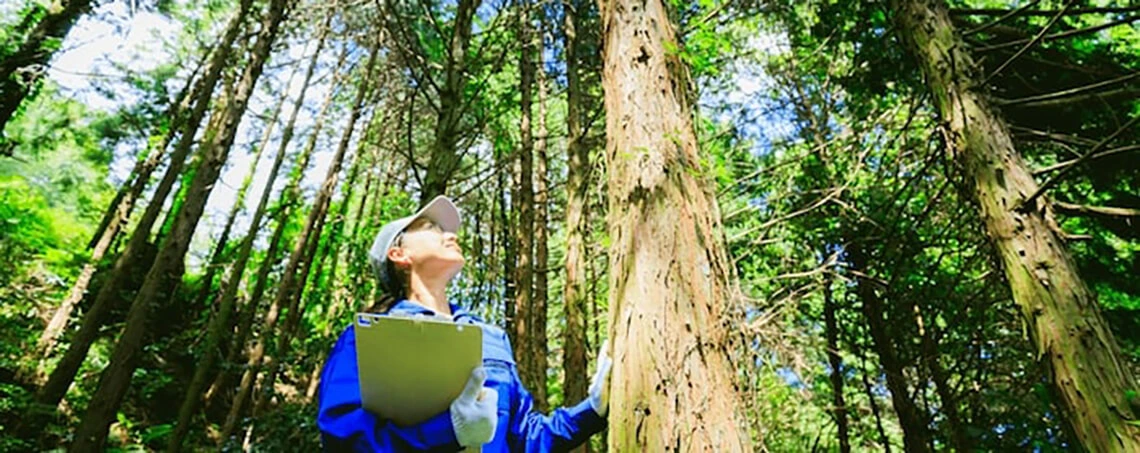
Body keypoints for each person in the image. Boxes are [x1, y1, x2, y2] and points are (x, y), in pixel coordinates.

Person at [317, 195, 612, 452]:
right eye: (431, 227)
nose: (450, 235)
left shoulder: (492, 336)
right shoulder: (367, 336)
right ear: (399, 254)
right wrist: (449, 431)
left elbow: (528, 440)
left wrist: (592, 409)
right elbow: (343, 438)